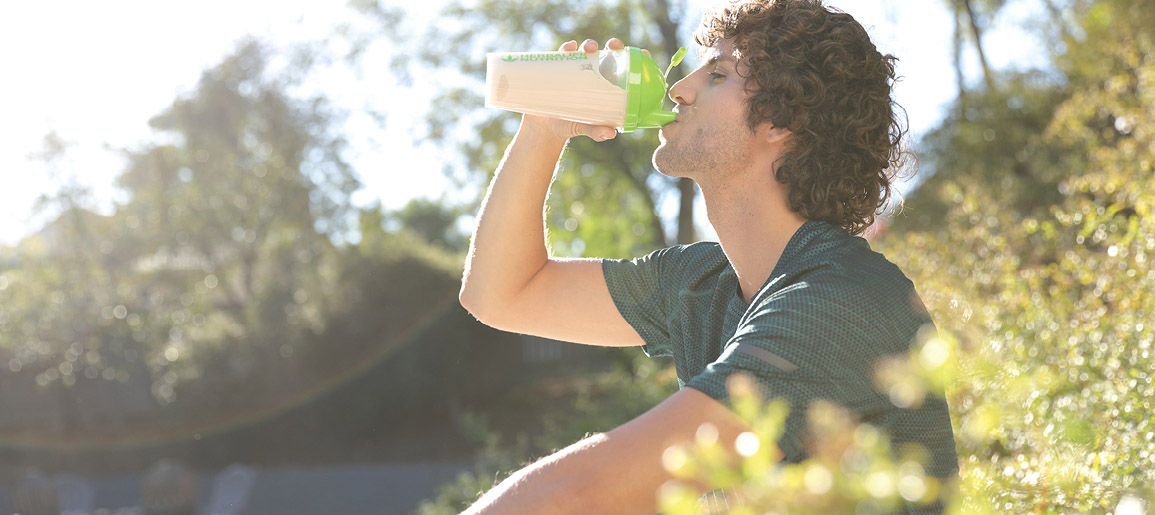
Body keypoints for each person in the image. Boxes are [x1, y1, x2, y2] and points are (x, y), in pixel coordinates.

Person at [457, 0, 959, 512]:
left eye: (716, 73)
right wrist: (543, 128)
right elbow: (500, 294)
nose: (678, 89)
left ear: (782, 121)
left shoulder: (839, 302)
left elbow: (578, 494)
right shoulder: (702, 283)